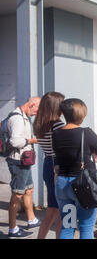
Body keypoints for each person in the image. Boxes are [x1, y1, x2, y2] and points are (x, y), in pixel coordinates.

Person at [53, 98, 97, 239]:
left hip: (62, 184)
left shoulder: (56, 134)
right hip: (84, 186)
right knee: (86, 228)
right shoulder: (86, 132)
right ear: (81, 114)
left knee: (67, 226)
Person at [6, 97, 41, 238]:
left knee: (28, 190)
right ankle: (12, 229)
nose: (35, 114)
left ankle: (32, 219)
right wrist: (33, 140)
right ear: (31, 105)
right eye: (36, 111)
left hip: (24, 161)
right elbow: (15, 141)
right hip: (18, 162)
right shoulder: (18, 119)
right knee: (17, 194)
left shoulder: (24, 116)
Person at [33, 92, 65, 239]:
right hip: (58, 166)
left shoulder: (39, 123)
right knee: (58, 210)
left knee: (53, 209)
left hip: (48, 163)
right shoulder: (58, 124)